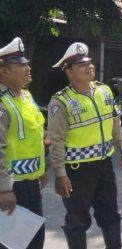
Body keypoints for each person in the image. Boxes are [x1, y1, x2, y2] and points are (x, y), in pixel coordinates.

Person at [47, 42, 122, 249]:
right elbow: (56, 140)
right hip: (77, 171)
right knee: (78, 221)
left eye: (89, 62)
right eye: (81, 65)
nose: (89, 67)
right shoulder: (61, 102)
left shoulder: (104, 92)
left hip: (103, 166)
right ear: (69, 72)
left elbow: (115, 122)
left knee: (111, 214)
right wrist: (59, 173)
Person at [0, 37, 46, 249]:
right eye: (21, 65)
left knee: (35, 240)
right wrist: (4, 188)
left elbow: (34, 137)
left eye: (26, 63)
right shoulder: (2, 102)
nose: (28, 67)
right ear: (4, 71)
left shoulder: (26, 96)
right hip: (12, 186)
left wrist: (41, 169)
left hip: (31, 183)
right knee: (14, 244)